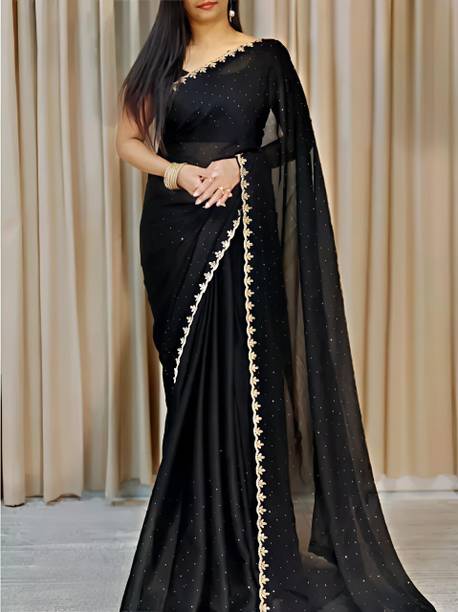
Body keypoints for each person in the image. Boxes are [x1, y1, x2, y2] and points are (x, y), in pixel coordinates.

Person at [115, 1, 437, 611]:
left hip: (242, 233)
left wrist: (241, 166)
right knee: (190, 393)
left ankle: (252, 553)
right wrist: (176, 172)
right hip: (173, 235)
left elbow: (294, 143)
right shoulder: (161, 60)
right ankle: (196, 547)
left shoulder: (266, 59)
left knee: (244, 386)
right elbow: (127, 141)